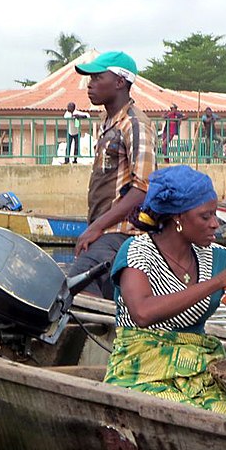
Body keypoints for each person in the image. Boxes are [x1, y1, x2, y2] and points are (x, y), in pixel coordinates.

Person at [103, 165, 226, 415]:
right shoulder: (137, 251)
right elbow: (142, 312)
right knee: (179, 411)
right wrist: (217, 283)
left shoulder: (216, 257)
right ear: (178, 217)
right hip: (139, 369)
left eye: (215, 215)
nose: (215, 224)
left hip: (198, 372)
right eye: (205, 216)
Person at [69, 51, 157, 298]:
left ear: (120, 82)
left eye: (97, 78)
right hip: (105, 231)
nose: (90, 85)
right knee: (102, 296)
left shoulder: (135, 124)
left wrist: (95, 228)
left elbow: (143, 189)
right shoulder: (108, 121)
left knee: (76, 285)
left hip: (123, 232)